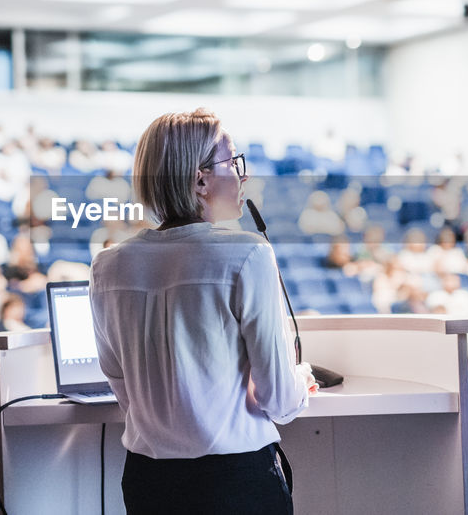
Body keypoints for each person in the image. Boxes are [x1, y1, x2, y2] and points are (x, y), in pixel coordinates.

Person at [89, 109, 314, 514]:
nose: (243, 176)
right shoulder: (248, 254)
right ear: (200, 178)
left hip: (147, 483)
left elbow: (118, 378)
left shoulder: (107, 266)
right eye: (233, 161)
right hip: (235, 484)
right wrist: (302, 378)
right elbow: (280, 400)